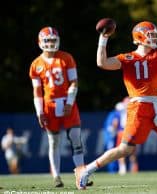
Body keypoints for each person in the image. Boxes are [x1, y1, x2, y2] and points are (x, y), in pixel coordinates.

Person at [74, 21, 157, 189]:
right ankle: (85, 170)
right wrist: (103, 39)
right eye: (151, 35)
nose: (155, 38)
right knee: (125, 150)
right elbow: (102, 63)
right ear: (140, 37)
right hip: (139, 108)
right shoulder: (127, 58)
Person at [29, 26, 92, 187]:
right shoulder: (36, 64)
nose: (50, 43)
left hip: (67, 101)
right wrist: (39, 112)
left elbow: (74, 83)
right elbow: (37, 91)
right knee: (53, 141)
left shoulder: (66, 58)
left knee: (76, 138)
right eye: (47, 40)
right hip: (49, 105)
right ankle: (56, 176)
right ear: (40, 42)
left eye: (53, 40)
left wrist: (70, 103)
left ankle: (81, 174)